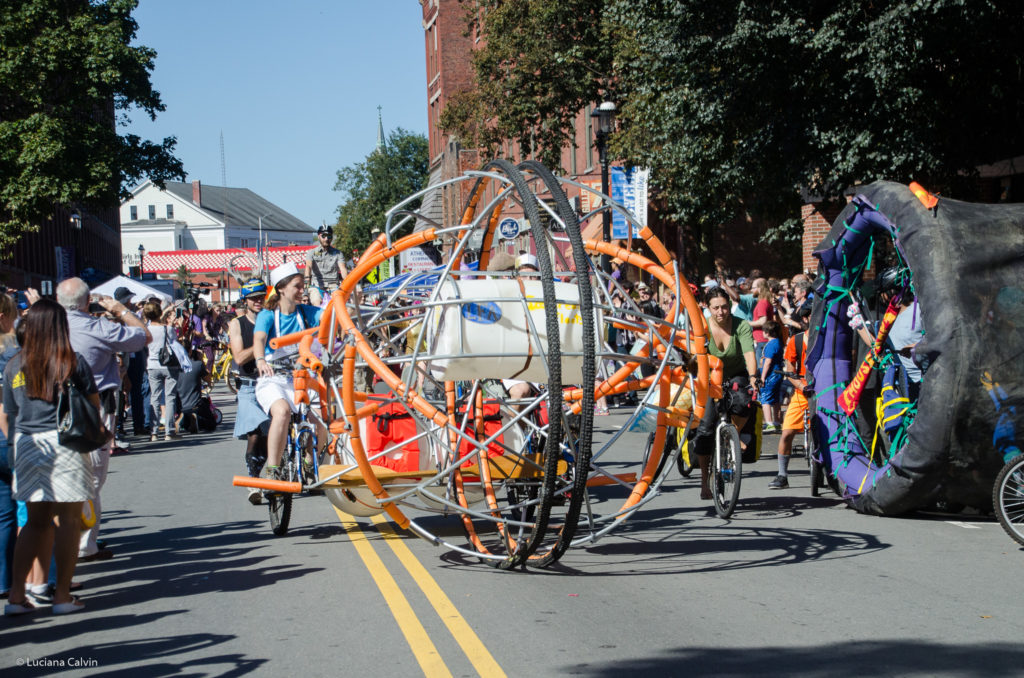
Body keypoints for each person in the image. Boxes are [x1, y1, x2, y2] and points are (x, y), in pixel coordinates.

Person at [2, 299, 102, 615]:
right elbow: (93, 406)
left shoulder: (13, 365)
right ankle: (61, 596)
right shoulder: (71, 362)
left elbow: (10, 413)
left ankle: (16, 597)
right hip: (65, 444)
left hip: (27, 444)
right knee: (68, 520)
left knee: (34, 522)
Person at [59, 277, 150, 563]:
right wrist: (119, 310)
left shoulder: (48, 328)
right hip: (92, 407)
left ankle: (74, 538)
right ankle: (84, 544)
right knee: (92, 478)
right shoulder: (96, 326)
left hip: (54, 410)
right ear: (88, 302)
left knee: (63, 478)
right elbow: (142, 336)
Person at [253, 262, 325, 480]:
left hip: (302, 380)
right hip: (274, 380)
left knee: (324, 422)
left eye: (303, 286)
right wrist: (260, 360)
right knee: (282, 412)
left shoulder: (306, 313)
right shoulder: (268, 316)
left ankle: (310, 460)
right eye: (297, 286)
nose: (302, 291)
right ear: (281, 289)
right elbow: (259, 339)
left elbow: (330, 315)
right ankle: (273, 469)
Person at [691, 286, 758, 500]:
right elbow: (695, 355)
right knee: (705, 428)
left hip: (735, 373)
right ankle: (705, 482)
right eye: (716, 308)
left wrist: (754, 377)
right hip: (709, 377)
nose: (721, 312)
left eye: (725, 307)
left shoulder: (741, 325)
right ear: (707, 307)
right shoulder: (702, 325)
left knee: (744, 401)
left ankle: (733, 435)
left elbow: (749, 353)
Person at [228, 278, 271, 504]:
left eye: (261, 297)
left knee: (270, 435)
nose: (258, 301)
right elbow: (238, 357)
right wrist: (261, 344)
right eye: (253, 298)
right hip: (249, 385)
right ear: (245, 300)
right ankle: (254, 482)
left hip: (272, 382)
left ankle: (271, 476)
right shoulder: (237, 324)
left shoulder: (273, 319)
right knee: (255, 431)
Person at [771, 310, 812, 489]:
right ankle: (782, 475)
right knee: (787, 432)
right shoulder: (796, 340)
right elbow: (790, 371)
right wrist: (802, 386)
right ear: (805, 318)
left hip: (824, 391)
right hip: (802, 392)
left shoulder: (827, 339)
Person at [0, 291, 20, 599]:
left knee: (5, 512)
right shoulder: (11, 353)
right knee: (20, 510)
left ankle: (5, 579)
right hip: (8, 437)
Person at [143, 301, 184, 441]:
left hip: (152, 365)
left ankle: (153, 432)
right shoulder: (168, 329)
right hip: (168, 365)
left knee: (154, 398)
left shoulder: (146, 329)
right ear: (160, 313)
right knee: (170, 397)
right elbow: (175, 342)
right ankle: (169, 431)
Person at [305, 224, 349, 307]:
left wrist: (347, 282)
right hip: (317, 286)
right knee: (316, 301)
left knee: (339, 304)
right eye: (324, 236)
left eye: (329, 236)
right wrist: (306, 287)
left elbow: (343, 269)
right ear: (318, 236)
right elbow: (308, 267)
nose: (326, 239)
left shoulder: (338, 253)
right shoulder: (311, 252)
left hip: (333, 286)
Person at [758, 321, 783, 432]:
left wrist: (762, 377)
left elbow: (768, 361)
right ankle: (777, 422)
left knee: (765, 397)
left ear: (767, 332)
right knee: (775, 399)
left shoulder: (771, 344)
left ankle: (769, 423)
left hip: (771, 375)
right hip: (778, 374)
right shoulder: (778, 342)